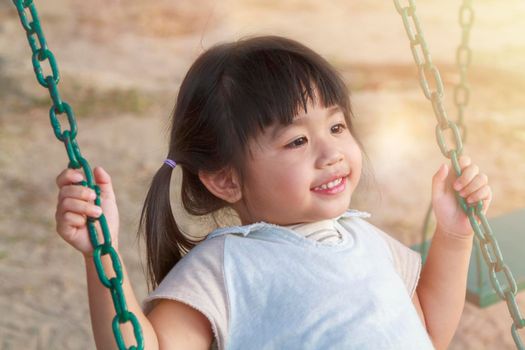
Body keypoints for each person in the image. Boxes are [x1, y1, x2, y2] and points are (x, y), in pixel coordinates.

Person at [55, 35, 492, 350]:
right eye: (296, 141)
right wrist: (101, 253)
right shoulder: (225, 267)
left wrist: (454, 235)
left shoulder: (367, 241)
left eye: (337, 127)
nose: (331, 152)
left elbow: (430, 331)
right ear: (226, 179)